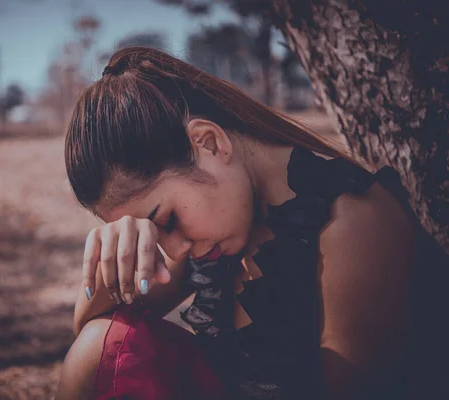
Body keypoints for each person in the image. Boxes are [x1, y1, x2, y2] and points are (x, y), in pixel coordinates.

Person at [56, 46, 449, 399]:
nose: (173, 250)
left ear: (209, 143)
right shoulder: (214, 227)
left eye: (167, 219)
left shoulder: (353, 222)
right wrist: (114, 251)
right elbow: (94, 340)